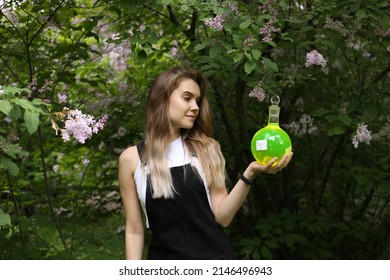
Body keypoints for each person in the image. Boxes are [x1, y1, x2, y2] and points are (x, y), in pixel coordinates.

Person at [118, 67, 293, 260]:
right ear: (162, 98)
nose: (195, 107)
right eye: (187, 98)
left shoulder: (206, 149)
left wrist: (250, 173)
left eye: (198, 101)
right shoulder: (131, 159)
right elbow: (134, 230)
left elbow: (223, 217)